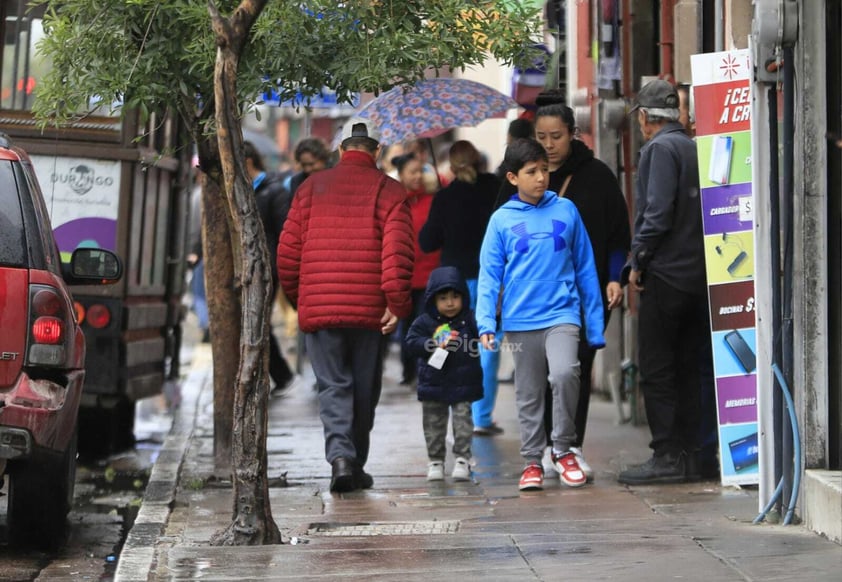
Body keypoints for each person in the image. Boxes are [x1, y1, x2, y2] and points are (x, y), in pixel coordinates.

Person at [496, 90, 631, 480]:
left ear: (573, 134)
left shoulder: (597, 177)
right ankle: (538, 452)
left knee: (572, 369)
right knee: (535, 378)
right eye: (541, 136)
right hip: (529, 298)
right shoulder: (516, 178)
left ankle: (568, 446)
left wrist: (613, 277)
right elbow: (497, 242)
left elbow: (619, 235)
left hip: (582, 295)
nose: (549, 146)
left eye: (556, 136)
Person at [277, 117, 414, 493]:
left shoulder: (310, 188)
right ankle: (355, 462)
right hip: (371, 311)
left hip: (321, 307)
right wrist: (396, 303)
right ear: (378, 151)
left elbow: (287, 255)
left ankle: (340, 458)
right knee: (364, 388)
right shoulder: (390, 191)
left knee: (332, 385)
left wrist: (301, 299)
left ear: (340, 150)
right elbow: (397, 255)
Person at [477, 138, 605, 491]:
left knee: (565, 374)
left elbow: (585, 268)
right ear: (513, 177)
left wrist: (594, 326)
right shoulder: (500, 220)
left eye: (544, 170)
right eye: (531, 172)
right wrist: (486, 322)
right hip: (519, 320)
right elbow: (489, 275)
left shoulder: (566, 210)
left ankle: (563, 450)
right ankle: (533, 461)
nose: (540, 178)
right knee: (529, 393)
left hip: (563, 313)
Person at [617, 79, 708, 485]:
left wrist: (638, 260)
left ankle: (667, 454)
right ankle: (694, 454)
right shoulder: (692, 147)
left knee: (657, 367)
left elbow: (656, 213)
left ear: (646, 118)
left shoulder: (658, 149)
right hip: (699, 276)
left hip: (666, 276)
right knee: (691, 367)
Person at [419, 140, 504, 436]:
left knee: (455, 345)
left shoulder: (445, 197)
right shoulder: (495, 188)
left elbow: (427, 242)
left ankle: (460, 413)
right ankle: (481, 417)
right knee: (488, 346)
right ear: (478, 161)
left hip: (454, 284)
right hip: (491, 279)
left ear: (452, 167)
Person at [403, 266, 483, 482]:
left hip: (463, 383)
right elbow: (410, 342)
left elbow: (486, 330)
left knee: (463, 422)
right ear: (432, 299)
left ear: (464, 297)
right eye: (444, 298)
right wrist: (431, 344)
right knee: (433, 424)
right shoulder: (424, 322)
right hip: (433, 383)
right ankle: (435, 461)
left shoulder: (470, 320)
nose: (450, 303)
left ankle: (462, 459)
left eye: (455, 297)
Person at [244, 141, 295, 394]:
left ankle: (280, 373)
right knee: (253, 322)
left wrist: (274, 267)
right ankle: (278, 373)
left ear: (248, 162)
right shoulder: (242, 190)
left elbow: (283, 231)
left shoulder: (273, 191)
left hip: (267, 268)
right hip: (247, 268)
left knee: (259, 322)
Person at [393, 152, 440, 385]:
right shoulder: (394, 202)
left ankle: (426, 370)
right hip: (403, 276)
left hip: (429, 274)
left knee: (427, 325)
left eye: (420, 170)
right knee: (406, 327)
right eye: (412, 171)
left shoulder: (434, 200)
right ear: (400, 175)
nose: (417, 176)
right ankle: (407, 370)